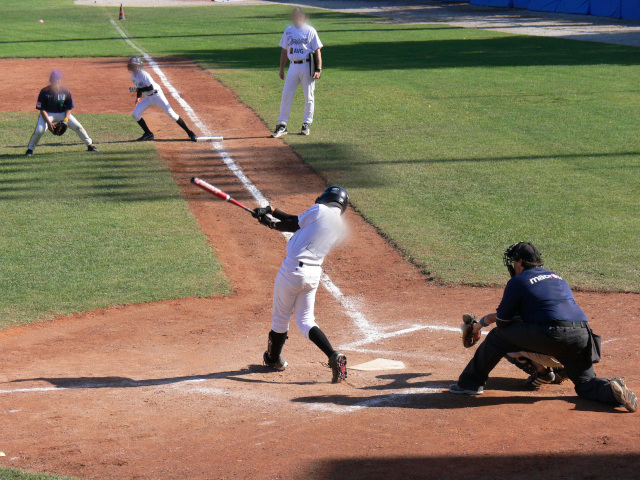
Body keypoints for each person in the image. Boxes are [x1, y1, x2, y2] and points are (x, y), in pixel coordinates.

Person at [449, 242, 637, 413]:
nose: (513, 265)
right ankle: (612, 390)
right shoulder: (558, 278)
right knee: (584, 383)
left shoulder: (518, 281)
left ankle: (471, 383)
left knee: (499, 336)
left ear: (520, 261)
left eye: (514, 261)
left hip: (553, 334)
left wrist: (481, 325)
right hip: (582, 335)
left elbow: (503, 322)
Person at [254, 186, 349, 383]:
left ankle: (274, 359)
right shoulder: (338, 223)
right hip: (313, 274)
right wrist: (271, 212)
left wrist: (269, 224)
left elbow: (293, 224)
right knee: (306, 321)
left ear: (326, 197)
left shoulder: (319, 209)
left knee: (280, 319)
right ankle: (333, 355)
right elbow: (297, 220)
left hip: (291, 271)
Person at [272, 7, 323, 138]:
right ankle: (282, 125)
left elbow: (317, 50)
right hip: (293, 67)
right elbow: (284, 51)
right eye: (295, 16)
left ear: (303, 17)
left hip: (307, 65)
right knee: (286, 95)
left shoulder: (310, 31)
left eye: (299, 16)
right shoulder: (288, 31)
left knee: (309, 96)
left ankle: (306, 124)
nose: (297, 19)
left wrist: (318, 69)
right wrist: (282, 69)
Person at [25, 70, 98, 156]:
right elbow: (42, 109)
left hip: (63, 113)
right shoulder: (44, 91)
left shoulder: (65, 91)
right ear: (50, 80)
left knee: (78, 126)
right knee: (39, 131)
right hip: (48, 114)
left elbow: (69, 107)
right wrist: (48, 123)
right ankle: (30, 149)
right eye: (53, 79)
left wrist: (66, 120)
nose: (55, 81)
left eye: (57, 79)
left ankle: (90, 145)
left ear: (60, 79)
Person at [127, 56, 197, 142]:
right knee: (135, 114)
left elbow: (150, 88)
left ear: (139, 66)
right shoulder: (133, 77)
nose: (132, 67)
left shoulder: (144, 74)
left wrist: (137, 90)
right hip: (148, 98)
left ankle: (190, 133)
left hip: (157, 96)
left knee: (172, 115)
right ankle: (148, 134)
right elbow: (140, 86)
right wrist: (138, 97)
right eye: (131, 65)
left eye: (134, 65)